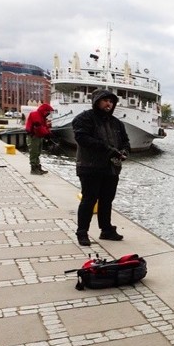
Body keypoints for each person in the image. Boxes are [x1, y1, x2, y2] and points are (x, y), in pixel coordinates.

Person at [72, 89, 130, 247]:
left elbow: (125, 141)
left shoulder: (117, 123)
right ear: (97, 101)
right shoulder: (84, 118)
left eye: (111, 101)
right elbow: (82, 138)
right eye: (105, 100)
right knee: (89, 200)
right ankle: (82, 232)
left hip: (110, 168)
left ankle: (106, 230)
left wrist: (124, 151)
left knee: (107, 200)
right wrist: (106, 148)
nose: (108, 104)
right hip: (89, 167)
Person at [25, 103, 54, 175]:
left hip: (38, 136)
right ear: (44, 110)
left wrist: (49, 133)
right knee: (34, 152)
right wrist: (47, 134)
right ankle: (33, 169)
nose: (48, 113)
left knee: (38, 152)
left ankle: (37, 167)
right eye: (48, 112)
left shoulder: (42, 117)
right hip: (33, 136)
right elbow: (38, 127)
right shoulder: (35, 114)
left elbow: (44, 126)